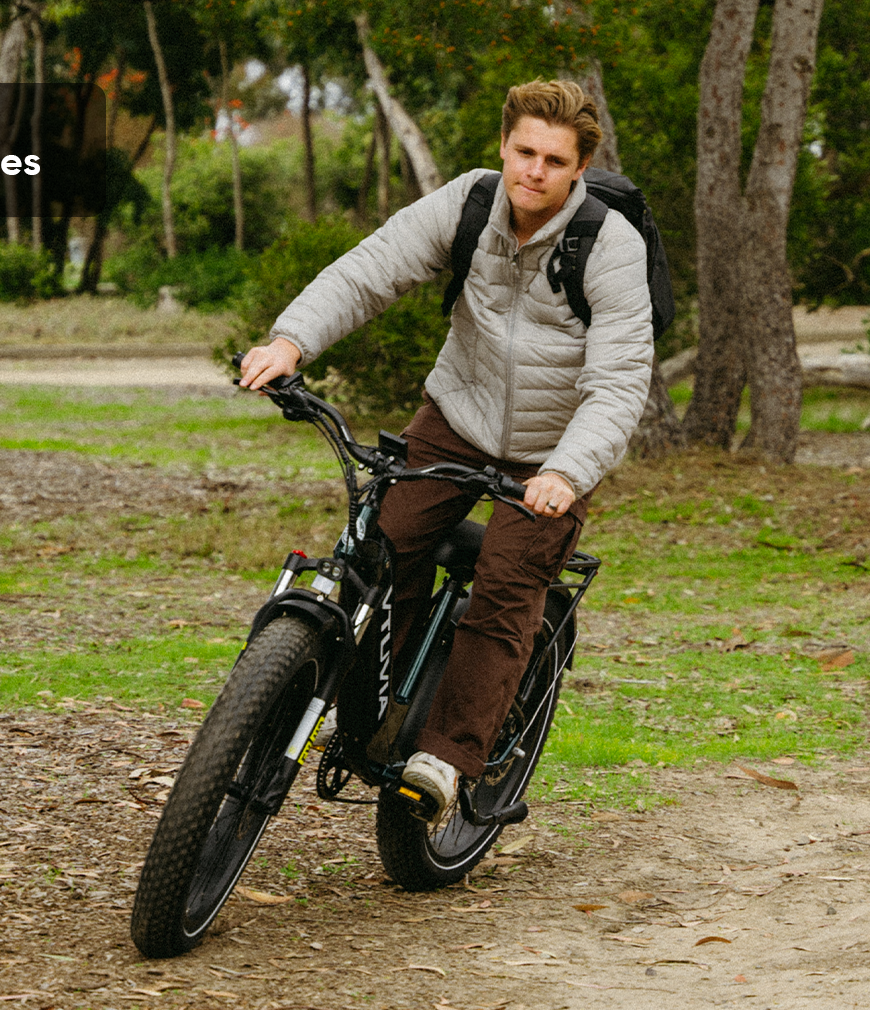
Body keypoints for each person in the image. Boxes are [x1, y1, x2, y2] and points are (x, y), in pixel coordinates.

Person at [239, 80, 653, 818]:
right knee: (380, 550)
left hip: (551, 451)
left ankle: (447, 756)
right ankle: (376, 707)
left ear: (580, 168)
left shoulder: (610, 246)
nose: (534, 171)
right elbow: (370, 270)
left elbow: (619, 381)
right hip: (458, 417)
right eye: (524, 152)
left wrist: (566, 471)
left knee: (506, 586)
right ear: (504, 147)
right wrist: (290, 340)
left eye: (554, 160)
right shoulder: (469, 203)